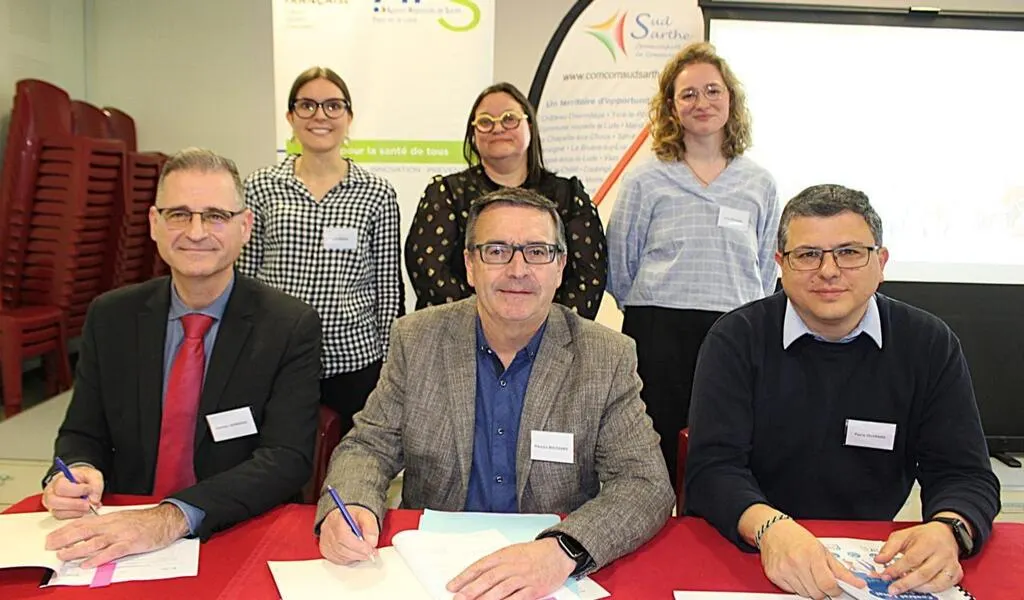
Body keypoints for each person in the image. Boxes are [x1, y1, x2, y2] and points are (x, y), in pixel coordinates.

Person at [320, 188, 673, 599]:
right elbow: (368, 446)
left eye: (537, 252)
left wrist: (563, 550)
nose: (517, 270)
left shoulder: (605, 356)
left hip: (552, 575)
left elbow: (645, 482)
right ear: (470, 265)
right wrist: (353, 505)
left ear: (560, 266)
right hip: (436, 570)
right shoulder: (417, 339)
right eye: (497, 251)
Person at [685, 184, 1000, 599]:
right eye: (807, 255)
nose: (829, 271)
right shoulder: (735, 338)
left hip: (872, 561)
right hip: (753, 549)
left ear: (880, 262)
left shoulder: (928, 343)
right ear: (781, 264)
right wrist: (770, 528)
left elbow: (964, 473)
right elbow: (712, 470)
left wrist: (949, 528)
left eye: (849, 252)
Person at [42, 148, 322, 567]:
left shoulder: (289, 325)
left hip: (234, 529)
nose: (196, 232)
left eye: (215, 215)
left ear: (245, 227)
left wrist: (171, 517)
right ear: (154, 223)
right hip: (123, 528)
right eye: (179, 214)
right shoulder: (111, 316)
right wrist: (77, 470)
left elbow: (286, 459)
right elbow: (82, 431)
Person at [606, 42, 781, 487]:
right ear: (671, 107)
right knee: (655, 451)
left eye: (712, 91)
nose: (702, 102)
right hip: (658, 332)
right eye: (688, 94)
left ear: (731, 99)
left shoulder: (759, 183)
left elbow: (766, 267)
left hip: (734, 330)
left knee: (727, 444)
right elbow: (620, 263)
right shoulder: (645, 179)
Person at [238, 66, 401, 438]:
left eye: (333, 105)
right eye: (307, 105)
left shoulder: (376, 193)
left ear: (349, 117)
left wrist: (388, 361)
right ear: (290, 116)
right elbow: (245, 277)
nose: (320, 116)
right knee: (280, 457)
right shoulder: (261, 187)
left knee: (352, 459)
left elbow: (388, 287)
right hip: (276, 355)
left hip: (354, 359)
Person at [405, 82, 606, 320]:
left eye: (509, 119)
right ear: (473, 135)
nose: (498, 128)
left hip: (554, 336)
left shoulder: (569, 196)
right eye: (485, 121)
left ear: (530, 126)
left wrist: (541, 329)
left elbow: (589, 278)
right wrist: (487, 326)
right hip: (460, 333)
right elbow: (430, 273)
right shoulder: (446, 193)